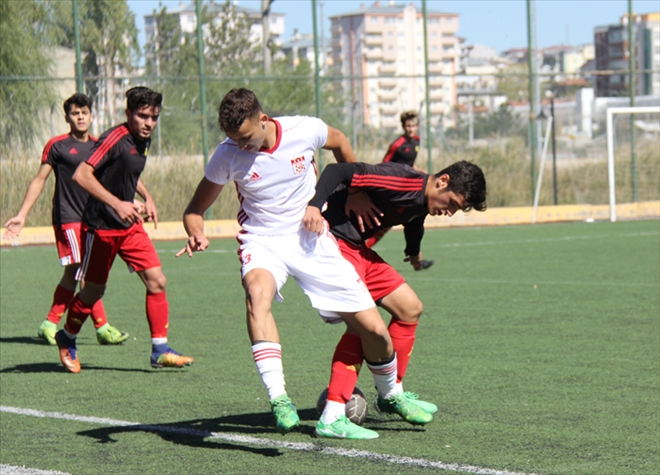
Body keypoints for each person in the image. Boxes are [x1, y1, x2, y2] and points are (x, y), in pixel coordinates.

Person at [179, 88, 433, 440]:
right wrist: (196, 232)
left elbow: (340, 143)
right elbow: (194, 210)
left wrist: (356, 191)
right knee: (257, 294)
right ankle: (279, 398)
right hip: (263, 240)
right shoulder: (227, 155)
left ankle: (390, 394)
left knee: (374, 331)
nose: (243, 146)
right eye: (235, 140)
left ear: (263, 120)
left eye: (248, 138)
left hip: (313, 240)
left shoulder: (304, 130)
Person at [304, 160, 487, 423]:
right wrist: (315, 204)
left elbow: (414, 220)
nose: (450, 213)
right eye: (452, 204)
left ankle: (392, 395)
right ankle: (334, 410)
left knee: (410, 308)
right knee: (363, 327)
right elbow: (338, 170)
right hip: (334, 244)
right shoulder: (401, 180)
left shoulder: (423, 200)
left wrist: (413, 252)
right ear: (442, 181)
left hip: (357, 249)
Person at [54, 86, 194, 374]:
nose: (149, 123)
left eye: (154, 117)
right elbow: (82, 174)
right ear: (128, 113)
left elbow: (128, 171)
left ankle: (160, 349)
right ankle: (66, 336)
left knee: (157, 280)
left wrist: (147, 196)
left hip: (128, 227)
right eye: (142, 116)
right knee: (93, 292)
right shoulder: (114, 138)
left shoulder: (143, 138)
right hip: (100, 227)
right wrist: (118, 203)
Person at [3, 93, 128, 346]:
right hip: (68, 217)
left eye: (84, 112)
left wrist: (144, 196)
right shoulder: (57, 145)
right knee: (81, 270)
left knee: (80, 271)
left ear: (91, 115)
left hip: (92, 220)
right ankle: (97, 327)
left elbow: (120, 174)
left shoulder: (99, 145)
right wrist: (22, 215)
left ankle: (53, 323)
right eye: (75, 113)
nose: (80, 117)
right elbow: (40, 180)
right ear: (67, 118)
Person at [366, 110, 434, 271]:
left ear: (417, 127)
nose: (411, 129)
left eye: (413, 126)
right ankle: (360, 251)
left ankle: (416, 261)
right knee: (383, 225)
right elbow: (383, 166)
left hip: (409, 190)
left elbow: (409, 166)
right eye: (408, 126)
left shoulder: (416, 141)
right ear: (403, 127)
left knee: (414, 223)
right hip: (395, 190)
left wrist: (420, 171)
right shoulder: (397, 144)